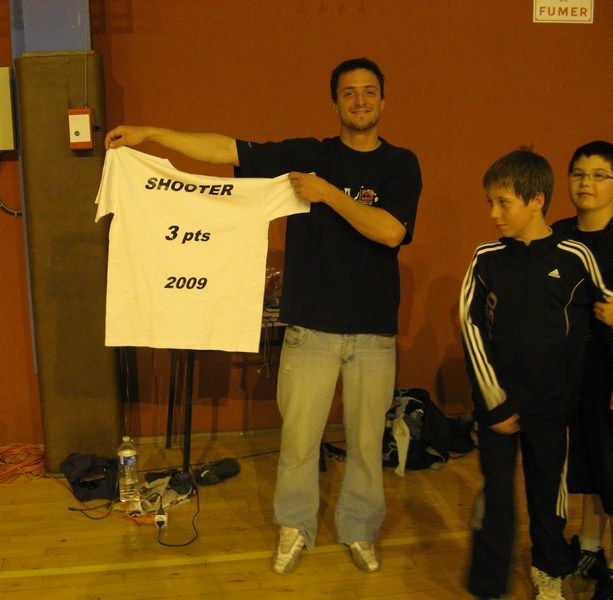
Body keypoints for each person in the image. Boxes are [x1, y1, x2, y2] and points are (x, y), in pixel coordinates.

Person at [104, 57, 422, 574]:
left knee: (367, 445)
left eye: (369, 91)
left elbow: (390, 232)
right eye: (348, 92)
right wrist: (152, 134)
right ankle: (294, 528)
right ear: (335, 103)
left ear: (383, 101)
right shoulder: (309, 155)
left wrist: (327, 193)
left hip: (372, 333)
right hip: (310, 329)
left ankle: (360, 530)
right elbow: (228, 149)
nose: (360, 100)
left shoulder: (401, 164)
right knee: (297, 443)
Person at [459, 148, 613, 600]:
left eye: (503, 203)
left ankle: (548, 569)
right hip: (498, 408)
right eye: (490, 203)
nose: (493, 213)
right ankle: (488, 583)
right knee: (496, 495)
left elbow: (609, 314)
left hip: (553, 407)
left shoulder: (575, 255)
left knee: (548, 495)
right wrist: (493, 401)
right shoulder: (486, 257)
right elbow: (469, 325)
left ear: (536, 200)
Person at [553, 141, 613, 600]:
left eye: (598, 175)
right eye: (578, 173)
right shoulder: (558, 235)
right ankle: (589, 548)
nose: (585, 183)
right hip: (574, 377)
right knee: (588, 466)